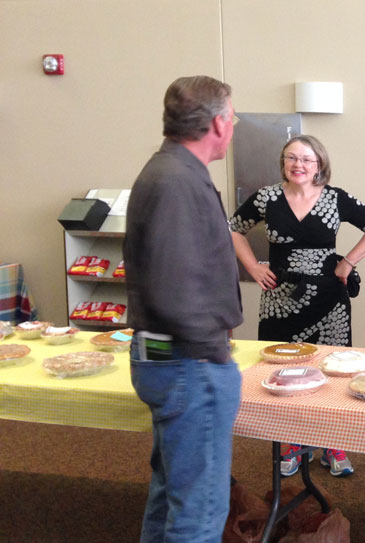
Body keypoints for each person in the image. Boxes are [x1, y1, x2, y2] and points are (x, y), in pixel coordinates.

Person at [124, 75, 244, 543]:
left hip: (170, 358)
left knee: (170, 494)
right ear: (218, 123)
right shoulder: (176, 181)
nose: (232, 126)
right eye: (231, 118)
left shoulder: (169, 170)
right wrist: (212, 351)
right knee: (198, 513)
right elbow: (174, 287)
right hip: (188, 364)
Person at [229, 134, 365, 477]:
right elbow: (233, 229)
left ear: (320, 165)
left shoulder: (335, 198)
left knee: (333, 368)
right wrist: (253, 266)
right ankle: (292, 442)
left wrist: (348, 263)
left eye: (306, 159)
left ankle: (333, 442)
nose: (298, 165)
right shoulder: (267, 197)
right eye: (291, 158)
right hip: (280, 296)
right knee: (283, 369)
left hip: (329, 296)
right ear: (283, 162)